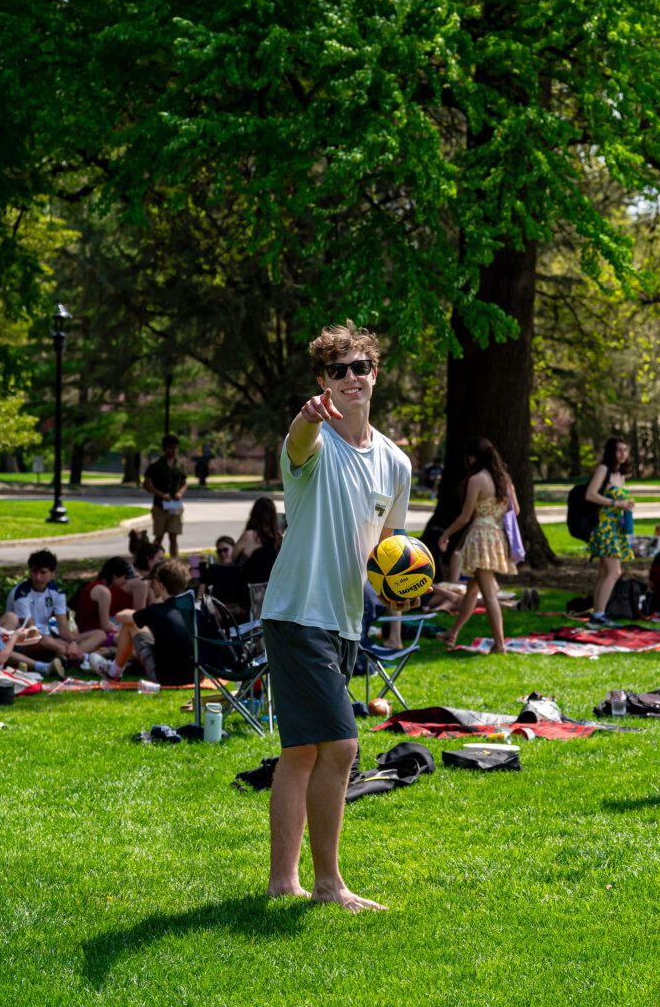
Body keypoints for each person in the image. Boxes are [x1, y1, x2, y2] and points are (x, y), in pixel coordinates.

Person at [261, 320, 413, 912]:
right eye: (337, 370)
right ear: (323, 380)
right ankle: (328, 886)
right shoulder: (313, 442)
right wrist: (306, 418)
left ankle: (282, 881)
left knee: (302, 752)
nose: (351, 378)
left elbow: (390, 547)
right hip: (298, 612)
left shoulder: (395, 462)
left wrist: (398, 590)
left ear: (375, 375)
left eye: (360, 367)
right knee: (343, 747)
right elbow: (298, 443)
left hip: (346, 618)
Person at [437, 437, 519, 653]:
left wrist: (446, 534)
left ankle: (499, 644)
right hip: (496, 536)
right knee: (473, 591)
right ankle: (451, 635)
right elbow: (516, 510)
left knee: (489, 593)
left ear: (473, 458)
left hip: (480, 538)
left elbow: (465, 516)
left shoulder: (477, 480)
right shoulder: (504, 479)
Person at [90, 560, 194, 685]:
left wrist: (134, 615)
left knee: (130, 625)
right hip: (195, 675)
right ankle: (115, 668)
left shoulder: (156, 611)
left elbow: (120, 617)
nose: (150, 585)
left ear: (161, 585)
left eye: (153, 581)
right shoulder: (192, 609)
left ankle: (113, 672)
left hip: (165, 678)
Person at [1, 549, 105, 667]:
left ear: (52, 573)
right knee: (45, 640)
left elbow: (64, 631)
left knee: (100, 634)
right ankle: (80, 657)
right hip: (25, 640)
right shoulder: (21, 593)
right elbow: (32, 631)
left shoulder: (57, 592)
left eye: (42, 572)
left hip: (48, 639)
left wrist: (73, 642)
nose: (37, 576)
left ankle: (69, 655)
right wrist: (63, 644)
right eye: (34, 572)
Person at [585, 436, 635, 627]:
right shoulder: (603, 469)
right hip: (604, 527)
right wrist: (616, 503)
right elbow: (590, 494)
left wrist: (626, 504)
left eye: (625, 450)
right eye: (619, 450)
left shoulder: (621, 474)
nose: (623, 454)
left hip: (616, 526)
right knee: (614, 572)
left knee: (604, 573)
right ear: (611, 452)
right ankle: (598, 615)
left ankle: (597, 615)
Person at [143, 434, 188, 558]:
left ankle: (174, 562)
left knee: (174, 536)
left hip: (175, 506)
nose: (172, 450)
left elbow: (185, 483)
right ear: (164, 448)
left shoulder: (180, 466)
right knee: (159, 536)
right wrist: (161, 494)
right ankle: (151, 560)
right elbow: (146, 484)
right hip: (159, 505)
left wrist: (180, 493)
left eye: (175, 448)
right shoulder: (155, 466)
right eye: (170, 448)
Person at [75, 557, 132, 642]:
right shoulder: (104, 592)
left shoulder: (94, 585)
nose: (126, 581)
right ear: (115, 576)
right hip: (93, 635)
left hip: (86, 631)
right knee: (129, 636)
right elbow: (105, 626)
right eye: (125, 577)